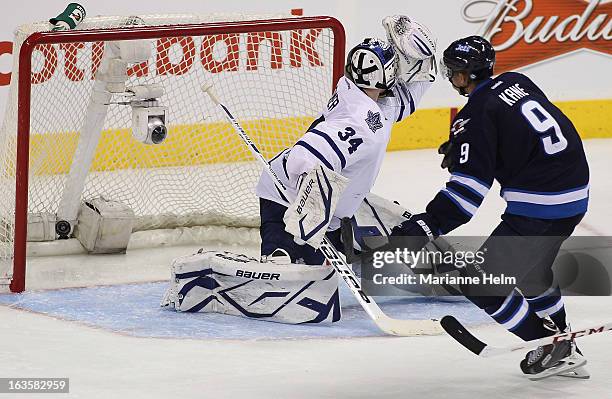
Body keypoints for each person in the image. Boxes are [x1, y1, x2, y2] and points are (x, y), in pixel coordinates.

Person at [391, 35, 590, 379]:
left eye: (453, 72)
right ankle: (562, 337)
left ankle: (552, 345)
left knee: (481, 283)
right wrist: (475, 146)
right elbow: (519, 130)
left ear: (465, 75)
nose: (452, 78)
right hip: (575, 194)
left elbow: (466, 196)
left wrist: (427, 224)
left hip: (539, 207)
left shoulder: (473, 117)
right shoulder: (517, 81)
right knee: (533, 273)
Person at [255, 18, 436, 266]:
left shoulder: (364, 96)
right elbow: (303, 159)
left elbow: (405, 96)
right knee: (296, 275)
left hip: (334, 207)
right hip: (288, 200)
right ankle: (283, 257)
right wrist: (312, 218)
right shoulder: (358, 122)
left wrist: (427, 60)